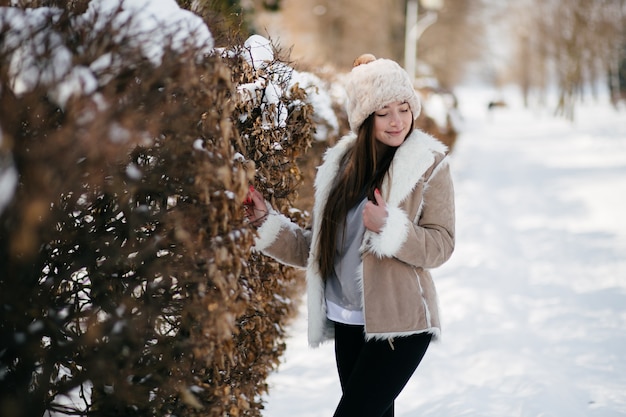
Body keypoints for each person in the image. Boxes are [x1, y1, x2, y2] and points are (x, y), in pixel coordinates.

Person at [244, 53, 455, 417]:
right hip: (348, 321)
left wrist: (391, 228)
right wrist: (267, 221)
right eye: (383, 111)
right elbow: (317, 249)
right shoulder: (341, 168)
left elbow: (441, 245)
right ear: (364, 116)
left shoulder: (428, 163)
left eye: (404, 108)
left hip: (400, 326)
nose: (396, 121)